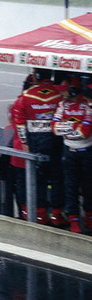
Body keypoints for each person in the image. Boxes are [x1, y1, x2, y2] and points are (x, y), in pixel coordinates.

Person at [11, 67, 65, 226]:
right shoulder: (60, 95)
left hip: (35, 143)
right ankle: (57, 214)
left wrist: (25, 143)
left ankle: (40, 215)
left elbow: (20, 124)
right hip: (56, 142)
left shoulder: (25, 97)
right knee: (57, 179)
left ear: (36, 77)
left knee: (38, 179)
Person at [52, 75, 92, 233]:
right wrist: (74, 126)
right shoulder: (62, 105)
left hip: (87, 152)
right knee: (70, 187)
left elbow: (85, 132)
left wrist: (66, 127)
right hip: (69, 153)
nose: (61, 93)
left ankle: (89, 218)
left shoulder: (87, 105)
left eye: (64, 90)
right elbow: (54, 128)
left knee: (88, 187)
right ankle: (74, 221)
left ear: (73, 90)